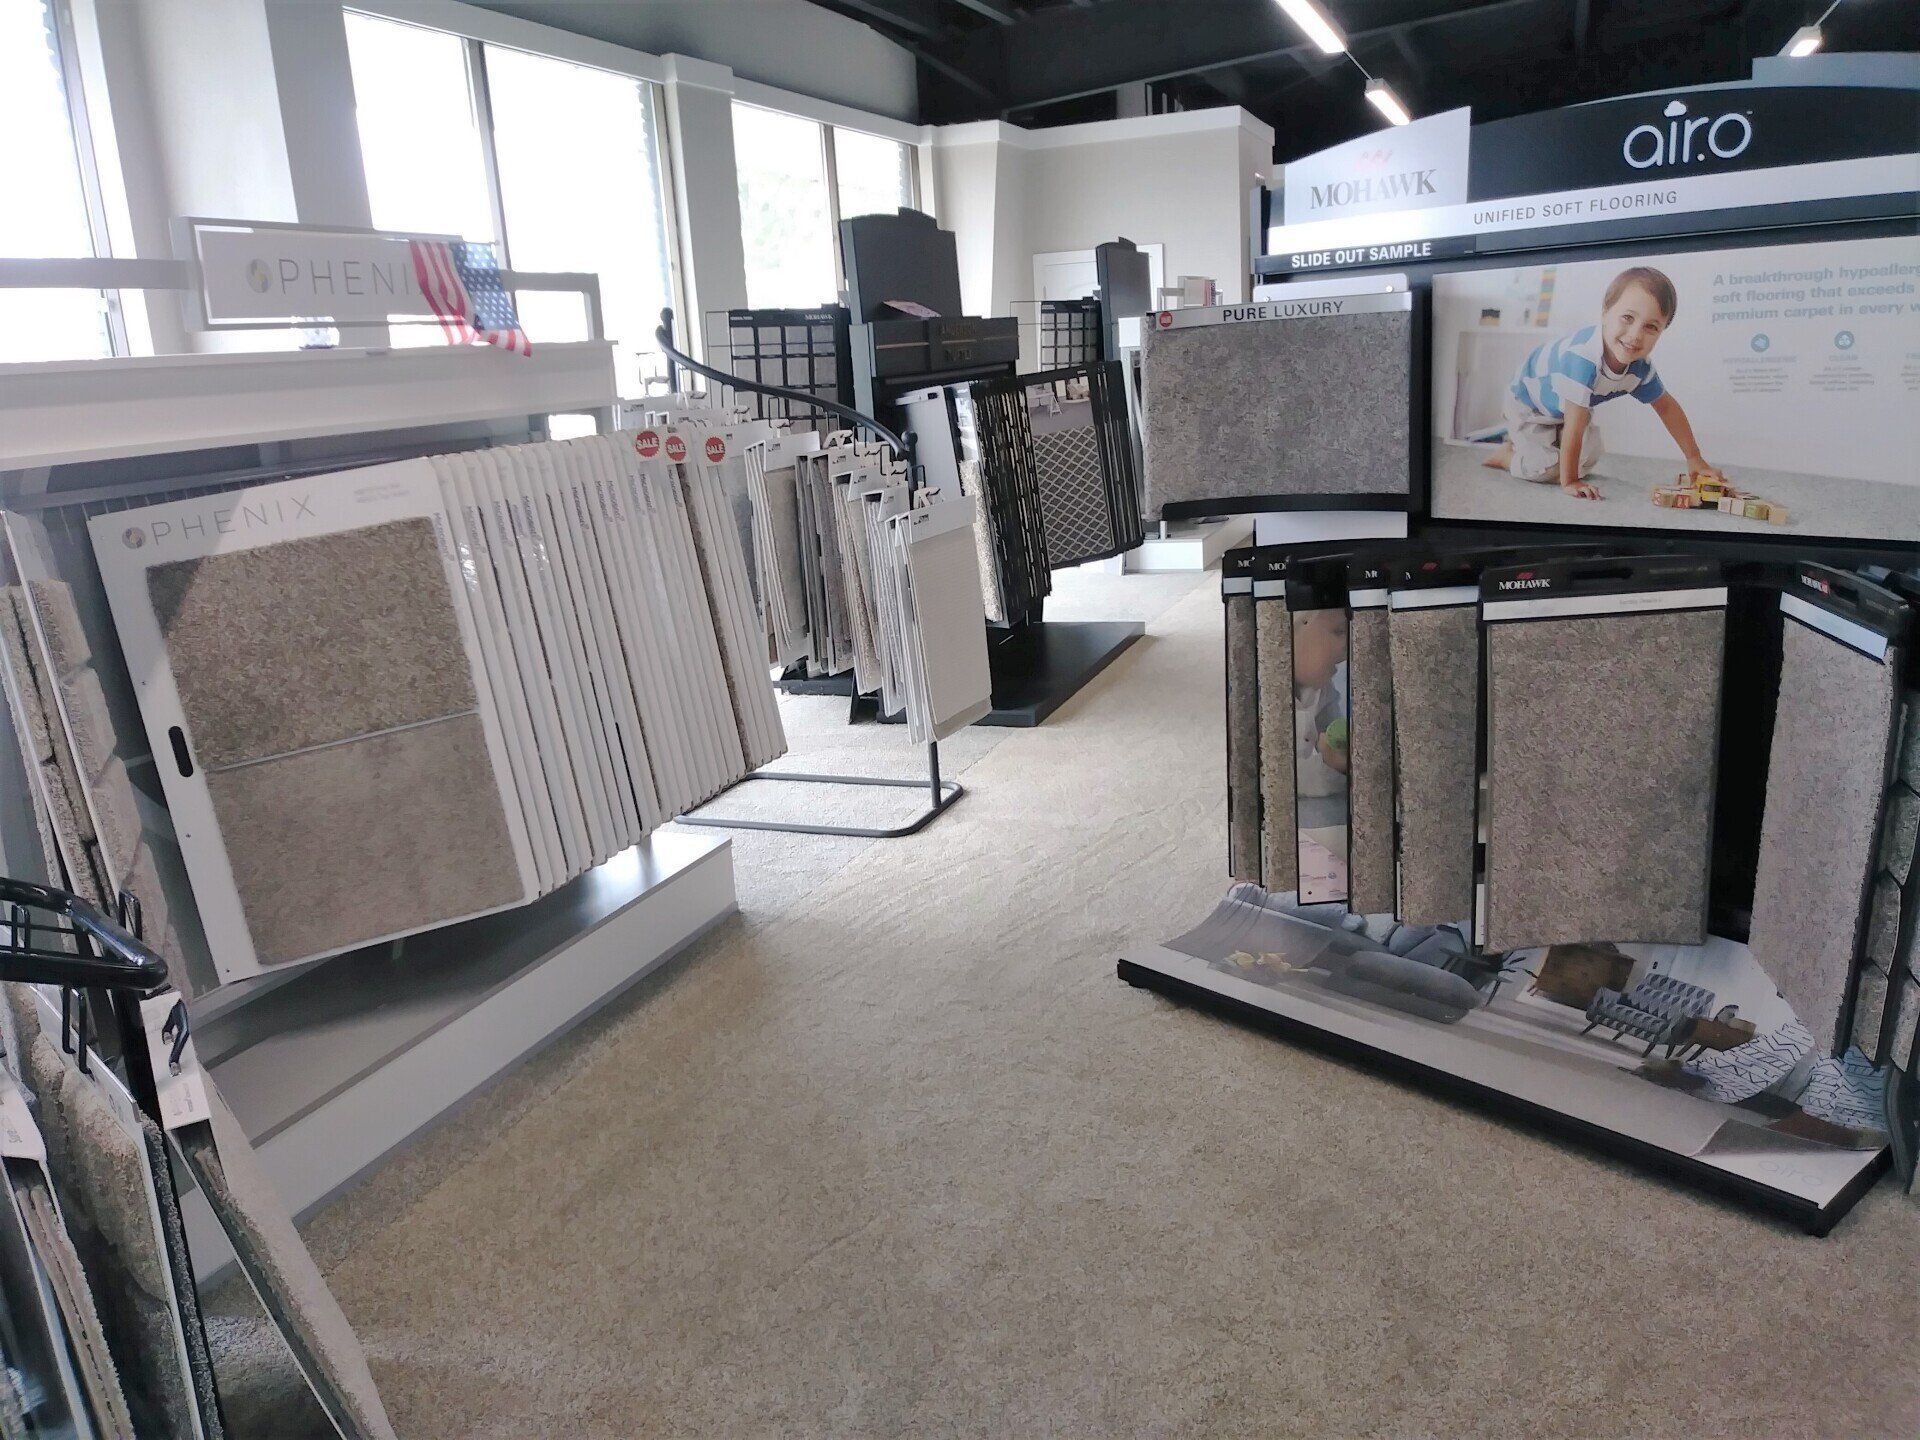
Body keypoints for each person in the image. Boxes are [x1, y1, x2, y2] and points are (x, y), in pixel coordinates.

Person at [1484, 265, 1721, 500]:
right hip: (1529, 405)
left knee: (1590, 456)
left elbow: (1667, 408)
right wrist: (1570, 482)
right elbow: (1574, 425)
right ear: (1605, 312)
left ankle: (1541, 445)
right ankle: (1507, 455)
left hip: (1566, 409)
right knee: (1546, 469)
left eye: (1651, 327)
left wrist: (1694, 458)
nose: (1635, 335)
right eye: (1627, 318)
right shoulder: (1583, 358)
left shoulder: (1640, 368)